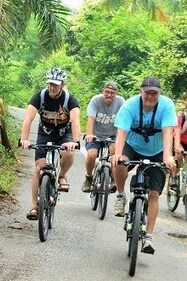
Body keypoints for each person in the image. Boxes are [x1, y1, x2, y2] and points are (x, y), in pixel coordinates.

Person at [112, 76, 177, 254]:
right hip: (132, 146)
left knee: (154, 193)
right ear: (141, 91)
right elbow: (121, 133)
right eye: (147, 92)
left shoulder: (166, 105)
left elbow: (167, 133)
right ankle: (120, 195)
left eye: (154, 93)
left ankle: (148, 236)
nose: (150, 96)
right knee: (119, 163)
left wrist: (167, 156)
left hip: (156, 150)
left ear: (159, 93)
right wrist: (117, 154)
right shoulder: (130, 106)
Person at [19, 67, 81, 220]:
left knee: (68, 152)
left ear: (62, 85)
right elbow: (28, 119)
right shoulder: (39, 97)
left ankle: (62, 176)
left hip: (63, 134)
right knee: (38, 169)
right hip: (44, 133)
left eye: (56, 85)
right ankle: (34, 206)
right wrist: (24, 139)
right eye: (50, 84)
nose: (53, 88)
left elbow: (75, 121)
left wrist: (75, 141)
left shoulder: (70, 99)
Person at [82, 81, 127, 195]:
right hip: (96, 134)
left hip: (112, 135)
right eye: (107, 92)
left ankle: (112, 177)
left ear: (116, 94)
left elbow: (124, 120)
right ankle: (88, 177)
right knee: (92, 155)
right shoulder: (96, 100)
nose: (109, 95)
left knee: (114, 153)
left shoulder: (121, 102)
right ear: (103, 91)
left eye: (112, 92)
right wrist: (89, 134)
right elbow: (91, 118)